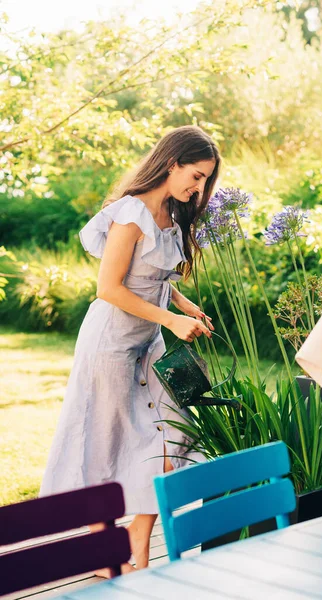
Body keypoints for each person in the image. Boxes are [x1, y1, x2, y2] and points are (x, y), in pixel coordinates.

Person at [40, 125, 220, 576]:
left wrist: (183, 304)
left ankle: (138, 545)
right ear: (172, 162)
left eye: (203, 181)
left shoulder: (173, 216)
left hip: (149, 344)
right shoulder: (130, 213)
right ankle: (106, 556)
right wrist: (171, 319)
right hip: (111, 345)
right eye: (195, 176)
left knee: (172, 433)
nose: (198, 187)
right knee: (103, 444)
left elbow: (157, 277)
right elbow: (109, 289)